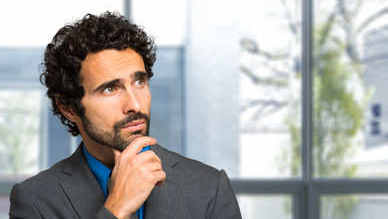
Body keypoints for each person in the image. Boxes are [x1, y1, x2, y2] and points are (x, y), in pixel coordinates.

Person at [9, 11, 241, 219]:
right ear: (68, 107)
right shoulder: (34, 201)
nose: (135, 104)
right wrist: (116, 208)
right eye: (111, 88)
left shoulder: (210, 188)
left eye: (139, 82)